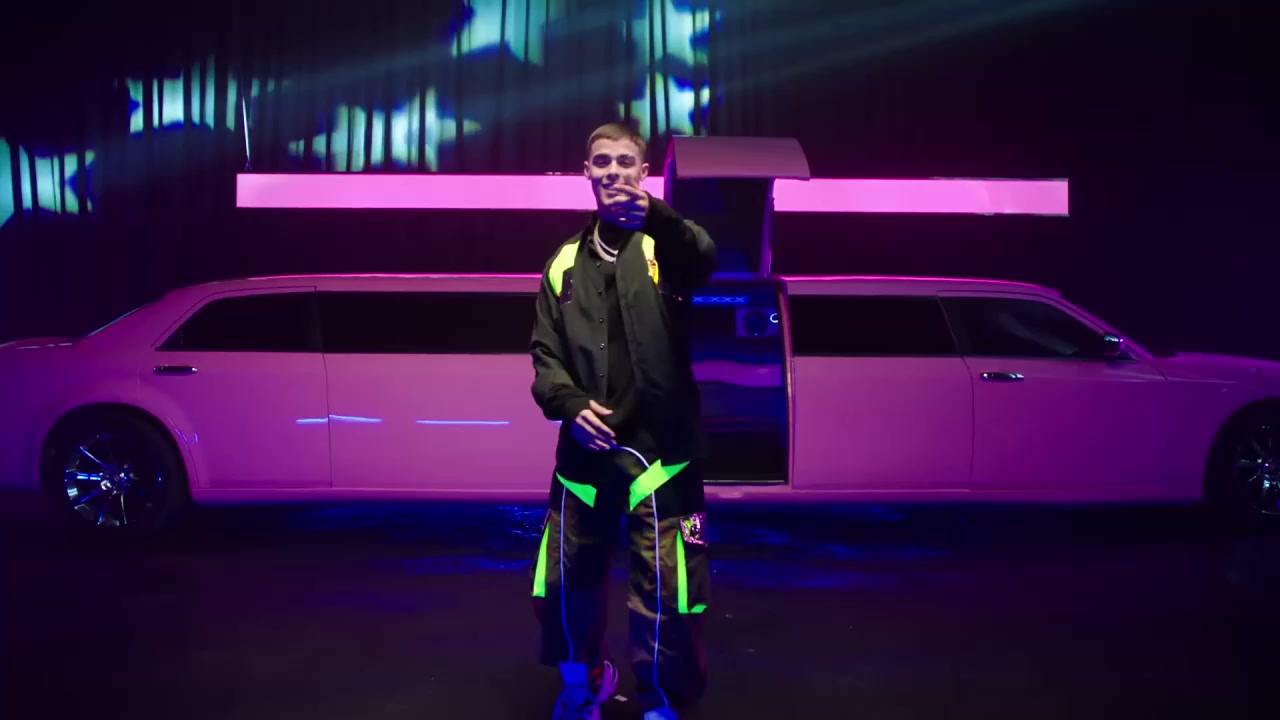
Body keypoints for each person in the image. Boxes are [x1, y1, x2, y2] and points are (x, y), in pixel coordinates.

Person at [527, 122, 717, 720]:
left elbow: (702, 256)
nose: (613, 171)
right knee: (563, 585)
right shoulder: (562, 263)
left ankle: (662, 701)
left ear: (642, 171)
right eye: (603, 161)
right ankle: (581, 687)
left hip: (661, 458)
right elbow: (545, 358)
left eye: (625, 161)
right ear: (586, 170)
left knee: (668, 588)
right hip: (584, 461)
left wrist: (657, 217)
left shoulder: (666, 244)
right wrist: (569, 405)